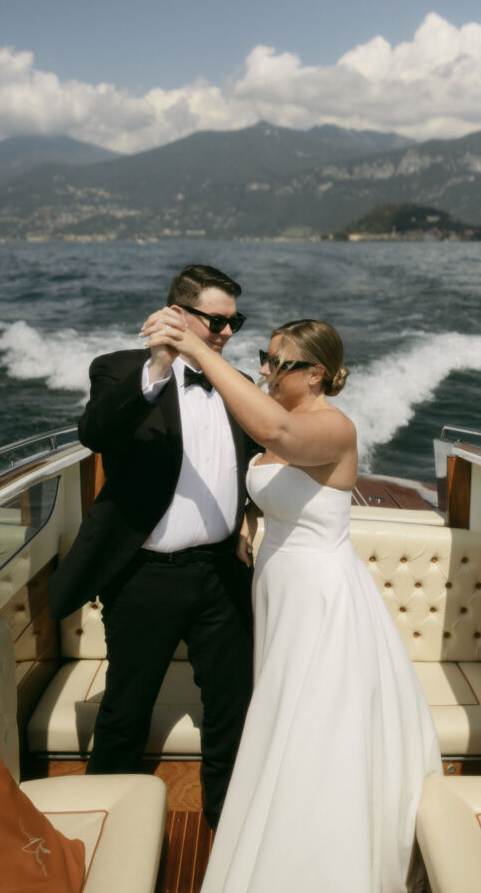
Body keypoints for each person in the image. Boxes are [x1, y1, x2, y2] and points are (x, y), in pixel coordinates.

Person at [142, 312, 442, 892]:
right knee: (280, 714)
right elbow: (279, 481)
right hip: (277, 586)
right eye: (267, 358)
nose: (268, 371)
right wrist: (252, 520)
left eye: (282, 364)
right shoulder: (287, 410)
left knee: (313, 729)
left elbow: (275, 438)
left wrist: (200, 351)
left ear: (319, 375)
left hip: (321, 597)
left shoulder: (334, 428)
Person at [49, 264, 259, 827]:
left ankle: (228, 828)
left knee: (232, 709)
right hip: (145, 577)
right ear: (177, 314)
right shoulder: (120, 369)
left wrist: (250, 514)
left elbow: (264, 455)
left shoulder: (237, 382)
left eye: (235, 320)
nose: (227, 332)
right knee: (125, 710)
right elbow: (97, 432)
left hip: (222, 574)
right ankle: (101, 828)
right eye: (216, 320)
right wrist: (159, 365)